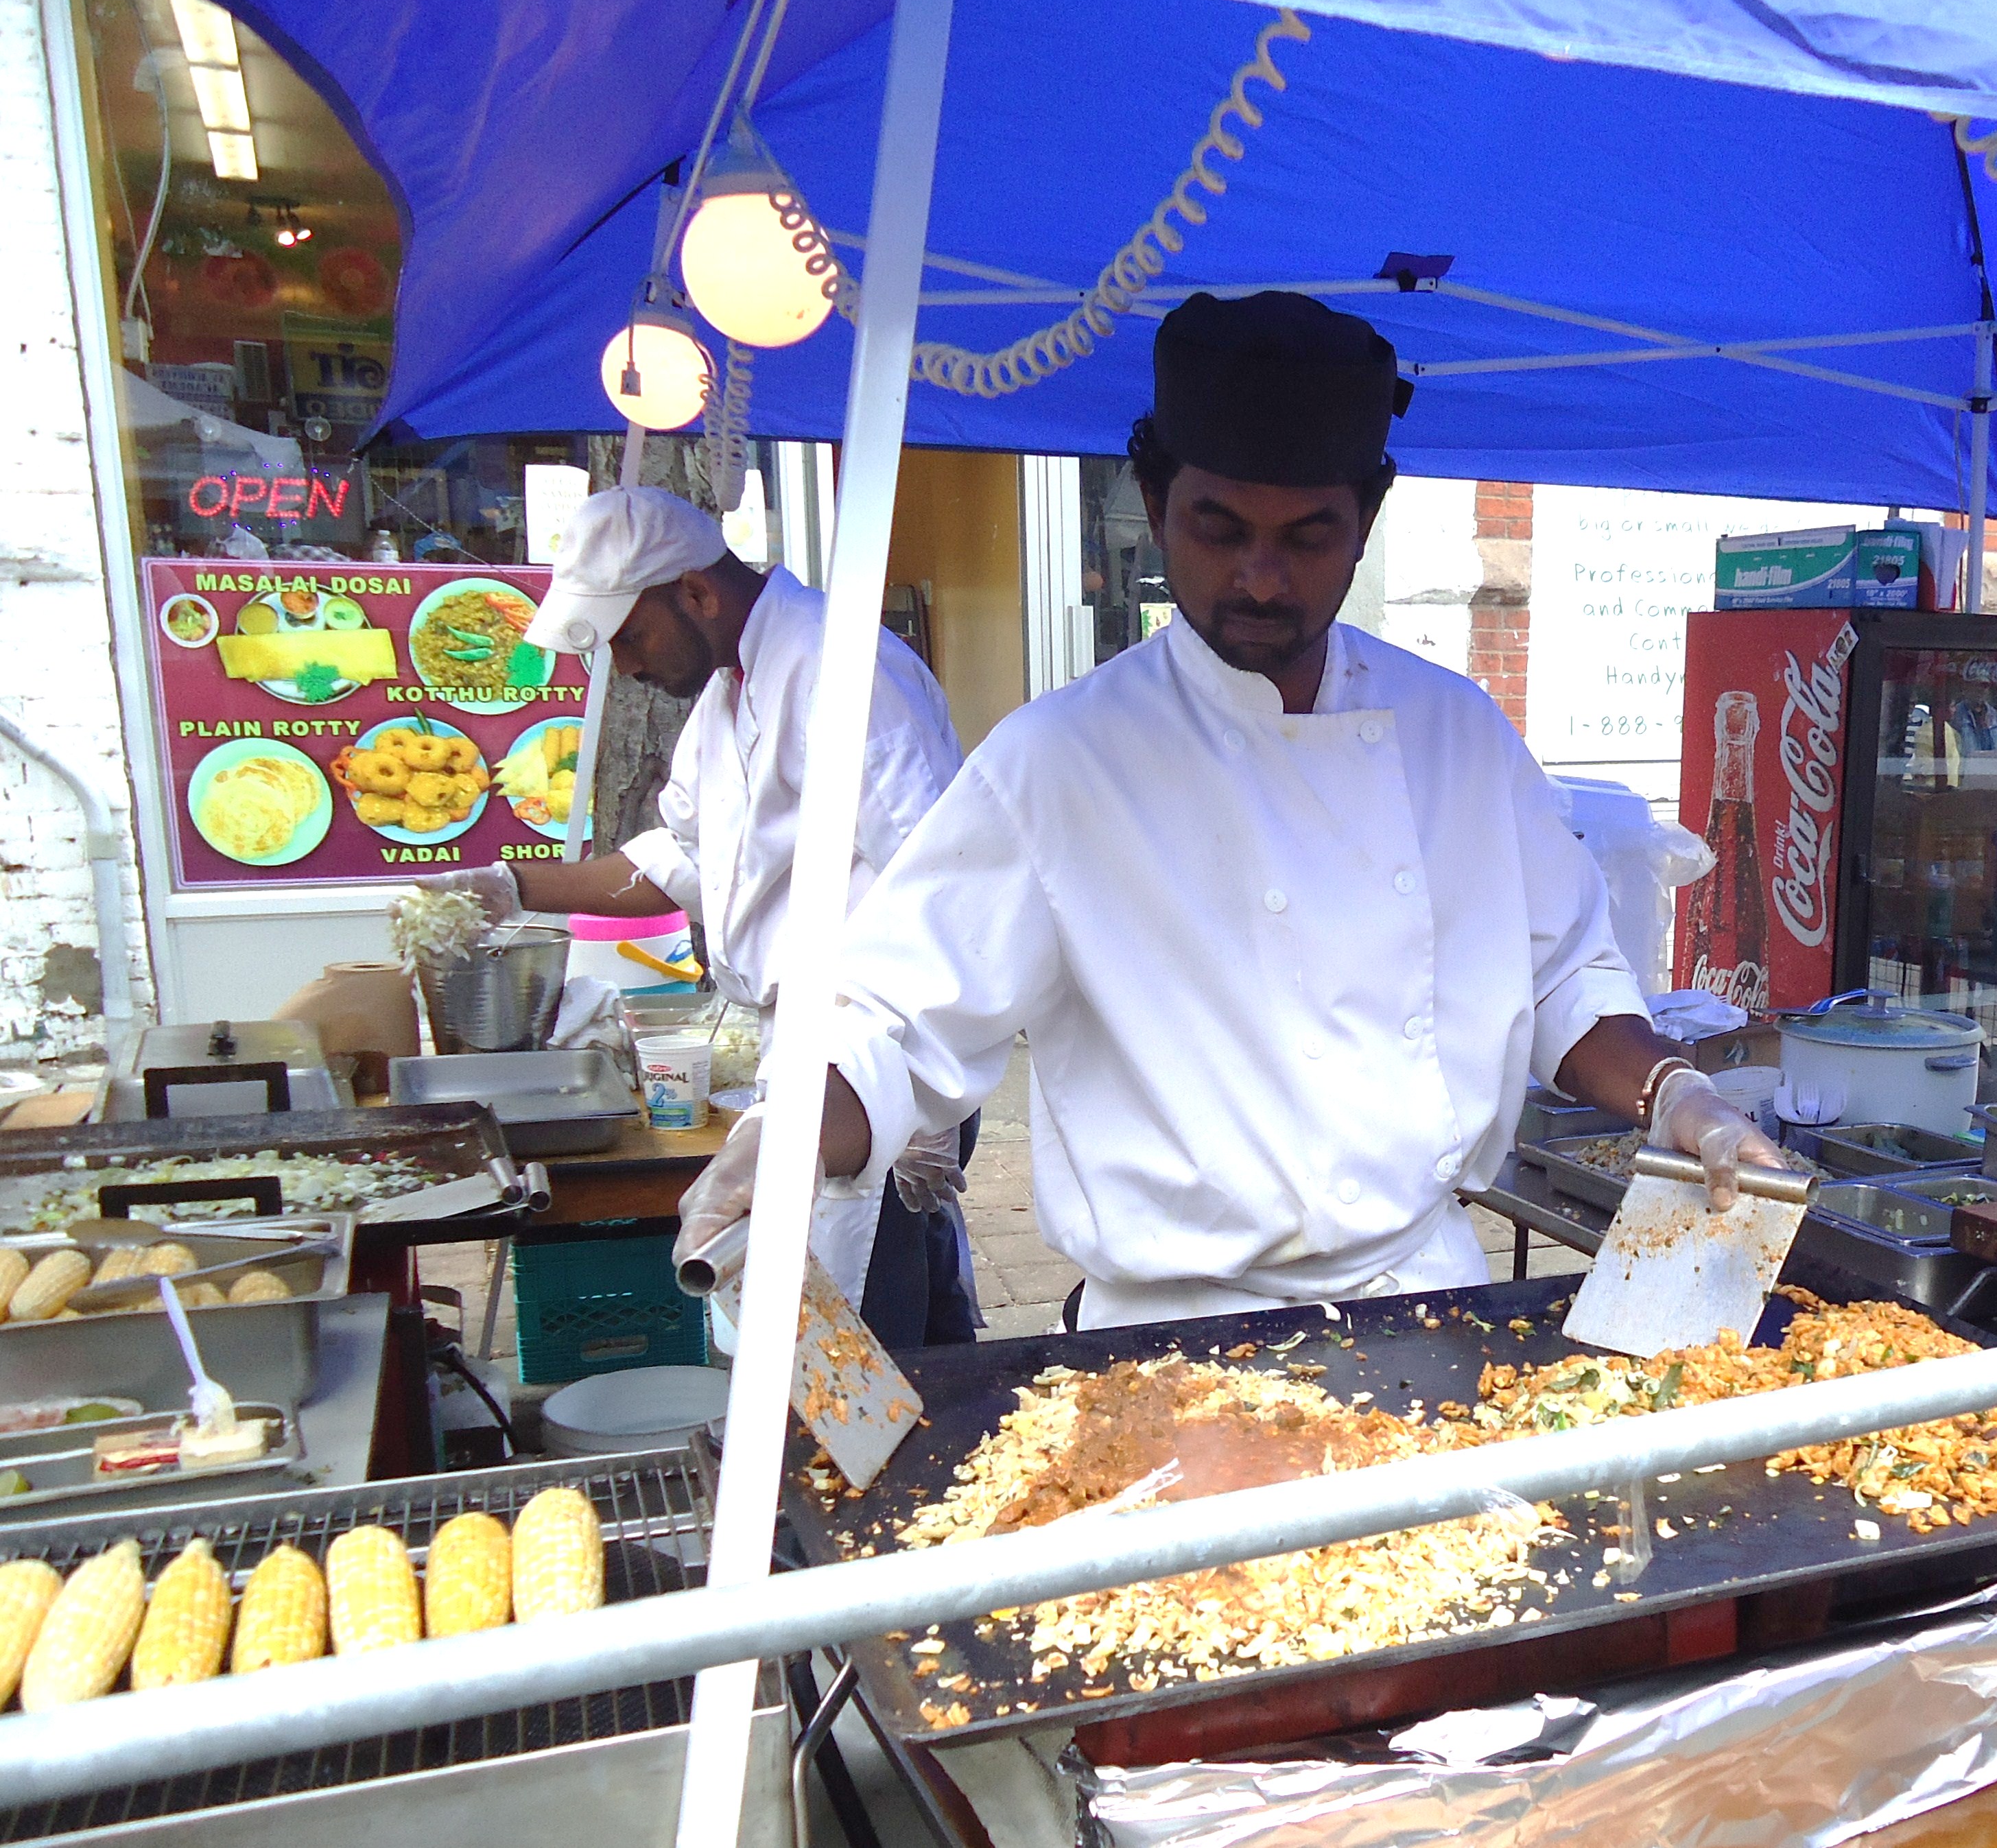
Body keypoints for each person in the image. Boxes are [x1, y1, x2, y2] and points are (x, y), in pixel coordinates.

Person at [676, 290, 1785, 1329]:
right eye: (1219, 528)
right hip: (1171, 1341)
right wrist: (785, 1138)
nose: (1260, 577)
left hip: (1422, 1309)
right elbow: (899, 1023)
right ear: (1156, 505)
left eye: (1306, 535)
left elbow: (1562, 980)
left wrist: (1679, 1096)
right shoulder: (1062, 762)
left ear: (1367, 518)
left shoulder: (1459, 736)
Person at [422, 487, 978, 1347]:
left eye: (632, 637)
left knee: (867, 1344)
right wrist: (515, 886)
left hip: (880, 1061)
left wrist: (928, 1111)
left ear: (696, 591)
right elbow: (683, 859)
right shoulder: (726, 694)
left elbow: (941, 879)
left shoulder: (840, 669)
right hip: (805, 1047)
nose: (630, 665)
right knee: (847, 1325)